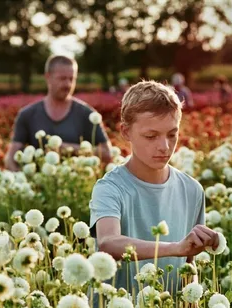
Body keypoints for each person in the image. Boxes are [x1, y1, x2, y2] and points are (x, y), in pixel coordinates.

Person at [89, 80, 219, 295]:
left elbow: (189, 261)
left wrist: (191, 294)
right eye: (151, 136)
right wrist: (175, 248)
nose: (164, 146)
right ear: (126, 132)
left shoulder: (192, 190)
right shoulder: (110, 188)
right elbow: (108, 242)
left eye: (172, 134)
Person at [5, 55, 112, 171]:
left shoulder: (87, 114)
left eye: (72, 79)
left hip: (76, 185)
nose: (68, 85)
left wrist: (69, 148)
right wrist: (23, 181)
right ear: (48, 77)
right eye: (62, 78)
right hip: (38, 184)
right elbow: (10, 159)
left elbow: (107, 153)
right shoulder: (27, 115)